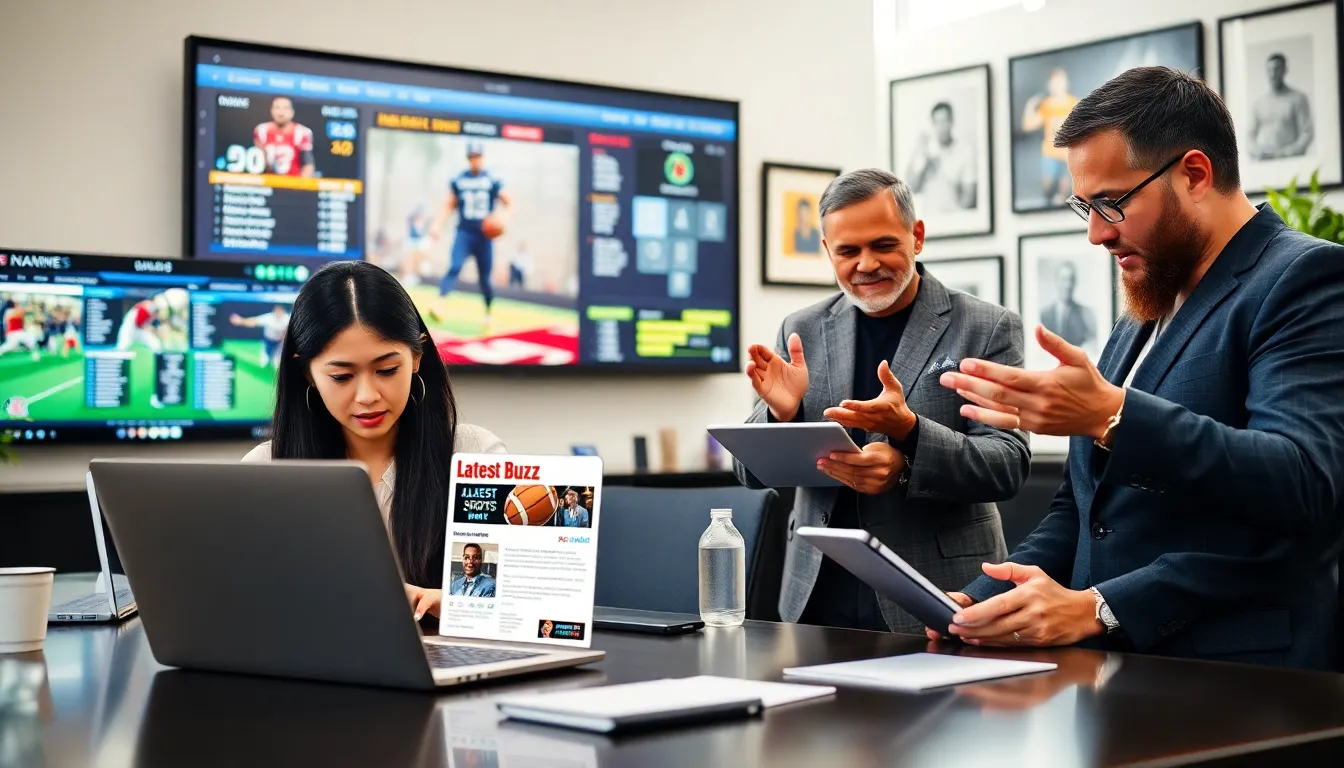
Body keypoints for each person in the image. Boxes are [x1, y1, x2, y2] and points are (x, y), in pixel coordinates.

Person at [934, 66, 1344, 671]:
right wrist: (978, 601)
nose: (1097, 233)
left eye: (1112, 203)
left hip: (1244, 686)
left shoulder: (1305, 279)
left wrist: (1113, 416)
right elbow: (1083, 510)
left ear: (1195, 174)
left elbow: (1303, 483)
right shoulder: (1144, 309)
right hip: (1115, 681)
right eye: (1086, 206)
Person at [733, 169, 1030, 635]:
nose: (866, 264)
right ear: (828, 252)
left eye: (883, 245)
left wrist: (910, 440)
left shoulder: (985, 328)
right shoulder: (802, 329)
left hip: (940, 591)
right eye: (848, 251)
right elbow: (749, 473)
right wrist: (779, 414)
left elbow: (1008, 463)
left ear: (917, 238)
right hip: (816, 593)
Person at [240, 260, 506, 623]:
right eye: (342, 376)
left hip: (448, 664)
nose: (367, 395)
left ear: (416, 356)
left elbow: (526, 602)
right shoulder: (264, 472)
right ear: (307, 373)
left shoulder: (475, 455)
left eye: (386, 370)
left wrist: (451, 604)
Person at [430, 142, 511, 330]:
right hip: (465, 231)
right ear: (468, 158)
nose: (475, 160)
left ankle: (488, 313)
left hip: (484, 235)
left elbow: (509, 202)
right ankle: (440, 303)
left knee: (485, 279)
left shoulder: (492, 179)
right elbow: (449, 205)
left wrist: (503, 219)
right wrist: (437, 224)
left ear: (482, 157)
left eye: (477, 156)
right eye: (471, 156)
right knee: (454, 266)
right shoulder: (459, 180)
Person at [1022, 69, 1079, 206]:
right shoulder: (1046, 105)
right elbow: (1028, 125)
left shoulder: (1073, 103)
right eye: (1054, 82)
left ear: (1066, 83)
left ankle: (1060, 200)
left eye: (1060, 81)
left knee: (1064, 189)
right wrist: (1029, 106)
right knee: (1047, 187)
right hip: (1050, 152)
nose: (1057, 85)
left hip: (1068, 154)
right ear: (1049, 85)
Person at [907, 101, 977, 212]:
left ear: (951, 122)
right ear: (932, 124)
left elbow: (970, 197)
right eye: (937, 122)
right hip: (930, 218)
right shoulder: (924, 149)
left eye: (945, 121)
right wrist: (923, 160)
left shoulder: (965, 151)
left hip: (955, 217)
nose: (942, 127)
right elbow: (910, 189)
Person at [1249, 53, 1313, 160]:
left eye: (1277, 69)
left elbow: (1307, 133)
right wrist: (1257, 152)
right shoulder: (1259, 103)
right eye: (1270, 70)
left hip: (1290, 160)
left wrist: (1286, 153)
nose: (1273, 74)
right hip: (1265, 161)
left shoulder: (1298, 98)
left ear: (1285, 70)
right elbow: (1250, 135)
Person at [1038, 261, 1096, 350]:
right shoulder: (1044, 314)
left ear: (1075, 283)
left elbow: (1091, 342)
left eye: (1071, 280)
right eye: (1064, 280)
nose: (1067, 285)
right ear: (1056, 281)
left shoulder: (1084, 314)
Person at [253, 96, 315, 177]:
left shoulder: (302, 132)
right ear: (271, 111)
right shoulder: (261, 130)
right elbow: (257, 162)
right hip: (267, 183)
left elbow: (308, 164)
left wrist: (301, 187)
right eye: (277, 107)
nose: (281, 112)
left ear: (292, 112)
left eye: (285, 108)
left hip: (292, 183)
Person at [229, 304, 290, 368]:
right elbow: (254, 322)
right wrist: (240, 321)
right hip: (268, 342)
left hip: (278, 344)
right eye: (276, 309)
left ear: (283, 310)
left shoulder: (286, 319)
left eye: (280, 310)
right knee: (264, 362)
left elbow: (289, 333)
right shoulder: (269, 318)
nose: (278, 312)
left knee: (276, 364)